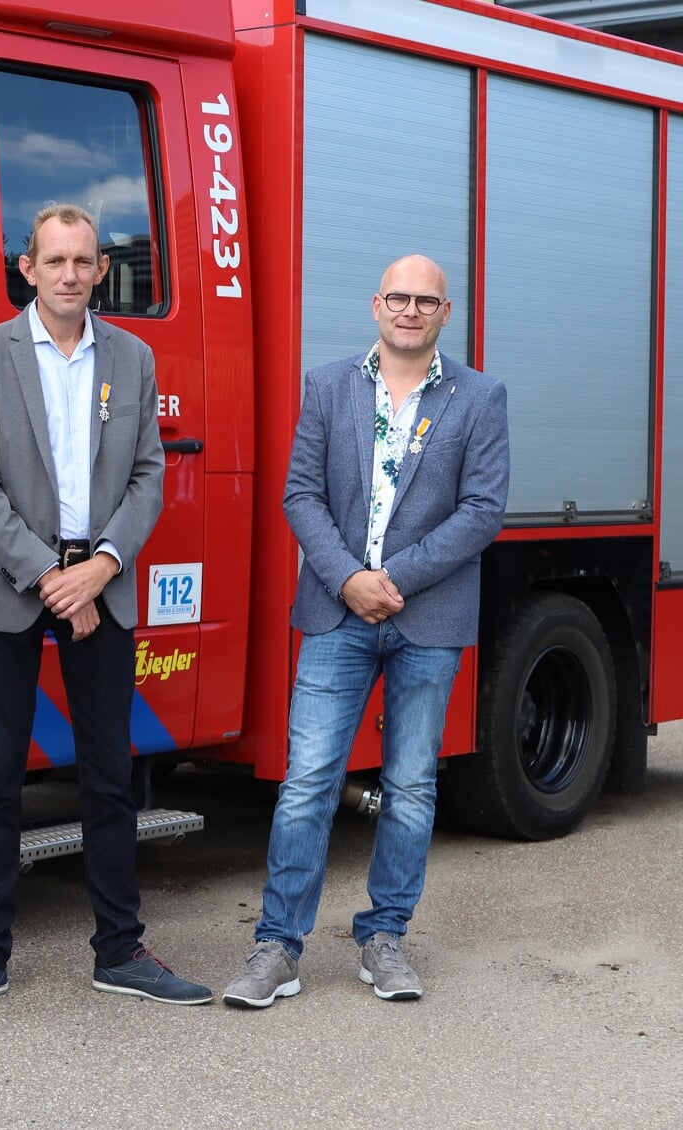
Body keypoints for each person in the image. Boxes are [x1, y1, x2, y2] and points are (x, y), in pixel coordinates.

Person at [0, 204, 211, 1010]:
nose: (69, 275)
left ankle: (119, 950)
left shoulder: (133, 356)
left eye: (83, 261)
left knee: (109, 775)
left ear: (99, 270)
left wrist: (102, 567)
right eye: (55, 261)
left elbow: (148, 475)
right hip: (11, 582)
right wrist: (52, 575)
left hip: (103, 581)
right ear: (29, 268)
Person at [222, 255, 509, 1008]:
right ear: (374, 305)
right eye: (398, 298)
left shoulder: (480, 397)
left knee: (411, 786)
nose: (410, 310)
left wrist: (396, 581)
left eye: (426, 301)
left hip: (430, 616)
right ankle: (277, 948)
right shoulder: (327, 386)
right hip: (334, 611)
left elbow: (482, 510)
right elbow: (300, 494)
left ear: (447, 313)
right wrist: (349, 577)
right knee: (308, 780)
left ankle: (383, 938)